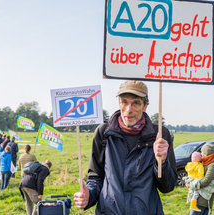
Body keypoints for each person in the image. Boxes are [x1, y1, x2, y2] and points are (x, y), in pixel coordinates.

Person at [73, 80, 177, 214]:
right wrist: (89, 195)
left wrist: (162, 162)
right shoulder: (104, 133)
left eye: (136, 103)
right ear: (119, 103)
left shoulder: (160, 135)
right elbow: (96, 177)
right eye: (124, 102)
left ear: (145, 106)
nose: (129, 110)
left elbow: (167, 187)